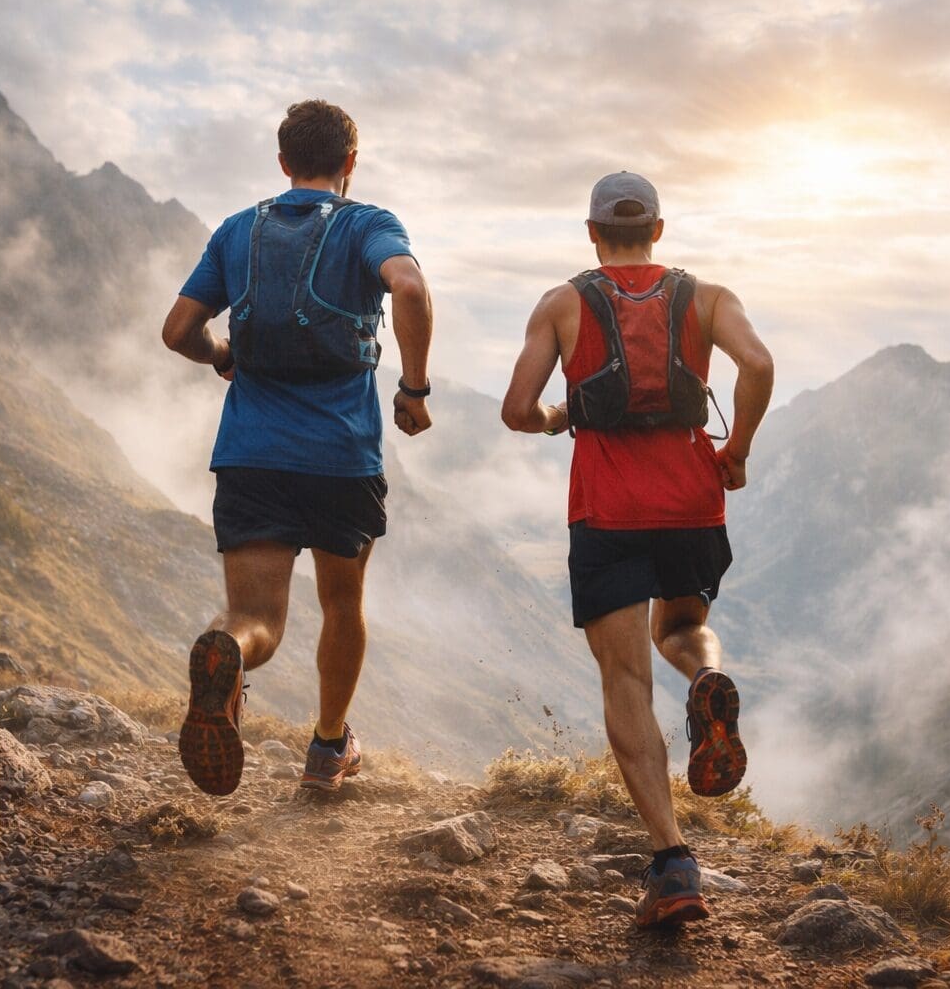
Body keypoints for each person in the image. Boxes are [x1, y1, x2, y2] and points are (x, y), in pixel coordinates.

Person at [500, 172, 774, 927]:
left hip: (609, 510)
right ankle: (708, 677)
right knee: (682, 631)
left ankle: (672, 862)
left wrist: (563, 416)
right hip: (692, 501)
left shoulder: (563, 304)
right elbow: (758, 365)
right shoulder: (709, 297)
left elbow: (517, 411)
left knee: (626, 675)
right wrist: (738, 451)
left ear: (592, 233)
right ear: (658, 229)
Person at [162, 99, 434, 796]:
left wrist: (220, 351)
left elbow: (176, 331)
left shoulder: (236, 231)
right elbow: (408, 287)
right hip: (342, 458)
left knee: (257, 618)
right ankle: (327, 748)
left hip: (251, 453)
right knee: (343, 603)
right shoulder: (369, 224)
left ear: (283, 163)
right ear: (350, 162)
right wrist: (414, 388)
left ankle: (229, 651)